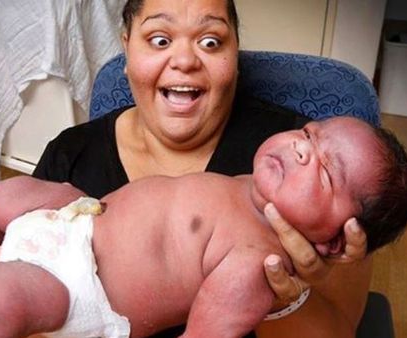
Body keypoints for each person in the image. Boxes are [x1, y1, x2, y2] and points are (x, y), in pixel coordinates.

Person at [0, 117, 407, 338]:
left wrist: (312, 283)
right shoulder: (253, 184)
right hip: (78, 219)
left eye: (326, 171)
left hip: (81, 288)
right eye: (309, 132)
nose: (302, 146)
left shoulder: (259, 264)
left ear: (333, 240)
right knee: (6, 193)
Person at [32, 0, 371, 337]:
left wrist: (286, 299)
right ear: (127, 51)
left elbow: (338, 331)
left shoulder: (308, 166)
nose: (184, 61)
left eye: (210, 42)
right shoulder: (68, 156)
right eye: (159, 40)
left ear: (235, 55)